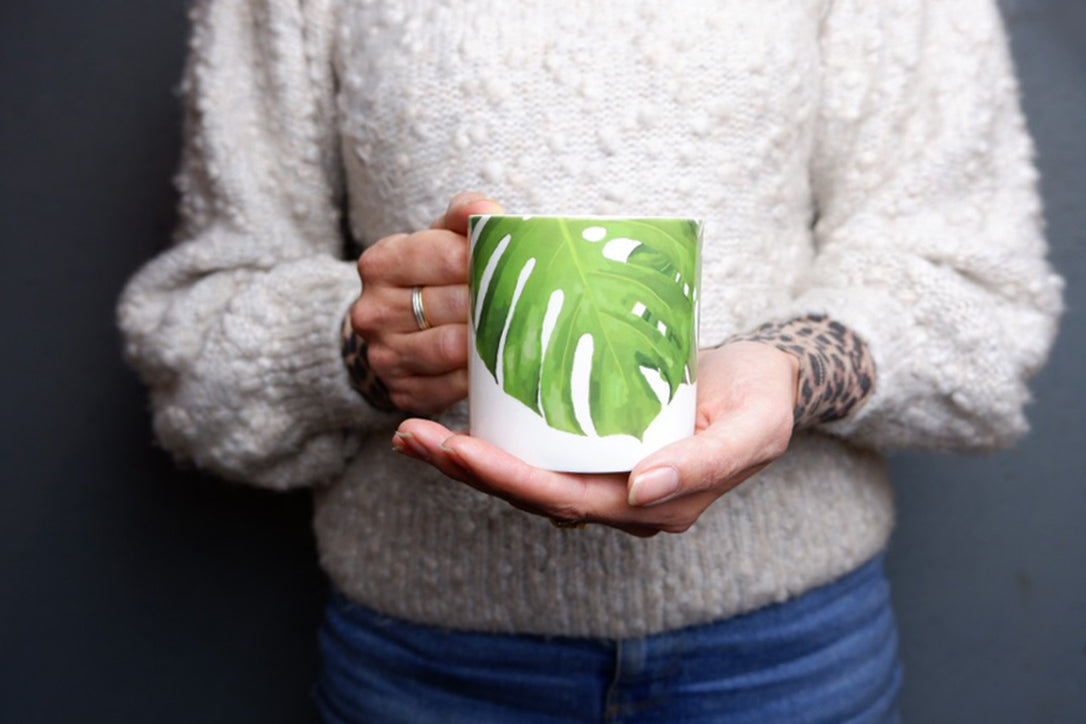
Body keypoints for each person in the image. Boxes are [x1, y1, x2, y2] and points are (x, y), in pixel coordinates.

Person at [117, 0, 1063, 721]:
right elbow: (201, 339)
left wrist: (787, 370)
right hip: (427, 667)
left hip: (785, 661)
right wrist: (366, 351)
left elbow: (976, 285)